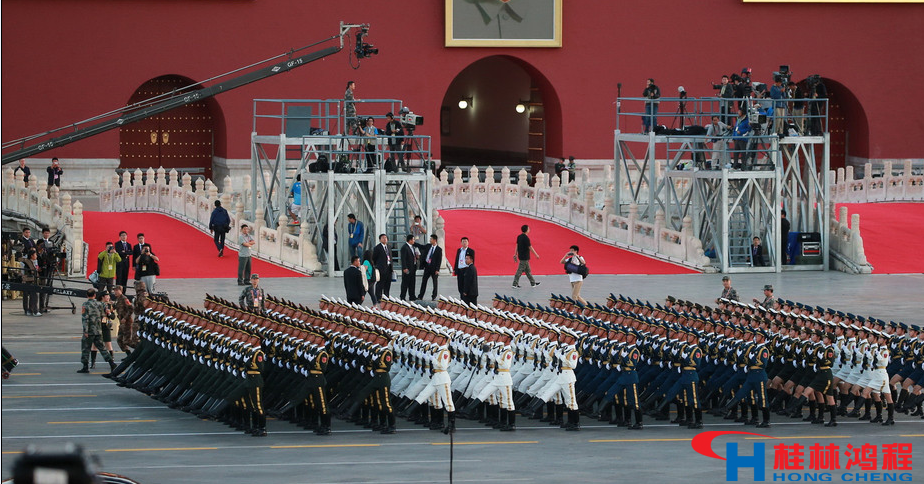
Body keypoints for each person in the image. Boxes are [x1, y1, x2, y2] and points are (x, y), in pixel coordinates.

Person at [77, 288, 116, 374]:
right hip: (98, 330)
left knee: (85, 348)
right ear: (95, 295)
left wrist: (85, 331)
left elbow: (85, 318)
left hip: (90, 330)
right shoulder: (100, 304)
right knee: (102, 348)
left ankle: (85, 366)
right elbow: (105, 313)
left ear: (87, 295)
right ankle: (111, 363)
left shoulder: (85, 305)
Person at [112, 285, 136, 356]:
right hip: (121, 323)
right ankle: (129, 355)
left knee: (127, 341)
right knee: (119, 340)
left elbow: (131, 309)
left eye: (116, 290)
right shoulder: (117, 299)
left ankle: (139, 348)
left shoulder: (124, 299)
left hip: (127, 322)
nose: (115, 292)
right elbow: (114, 307)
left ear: (120, 290)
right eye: (114, 290)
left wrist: (125, 318)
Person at [417, 234, 443, 301]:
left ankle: (434, 296)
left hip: (434, 269)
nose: (430, 240)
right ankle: (420, 296)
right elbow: (421, 246)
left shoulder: (439, 249)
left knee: (435, 283)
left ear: (434, 240)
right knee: (424, 282)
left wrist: (437, 269)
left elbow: (439, 260)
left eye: (431, 239)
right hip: (427, 267)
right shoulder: (428, 246)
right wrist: (414, 243)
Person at [20, 249, 41, 316]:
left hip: (30, 280)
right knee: (33, 296)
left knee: (30, 296)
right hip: (29, 280)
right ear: (31, 256)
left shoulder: (32, 262)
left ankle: (29, 310)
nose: (36, 256)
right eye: (35, 255)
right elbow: (33, 271)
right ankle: (34, 311)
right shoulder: (29, 262)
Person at [372, 234, 393, 300]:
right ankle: (378, 297)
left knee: (388, 283)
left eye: (386, 238)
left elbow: (390, 257)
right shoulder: (377, 248)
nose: (385, 239)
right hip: (381, 268)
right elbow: (374, 258)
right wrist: (377, 266)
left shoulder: (389, 247)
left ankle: (386, 297)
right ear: (380, 239)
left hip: (389, 267)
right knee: (380, 283)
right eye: (383, 238)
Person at [400, 234, 419, 301]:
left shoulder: (412, 247)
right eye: (413, 239)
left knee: (412, 282)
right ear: (410, 240)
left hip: (413, 267)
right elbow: (403, 259)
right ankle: (402, 297)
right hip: (407, 268)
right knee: (405, 283)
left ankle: (412, 296)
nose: (414, 241)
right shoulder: (404, 248)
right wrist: (404, 267)